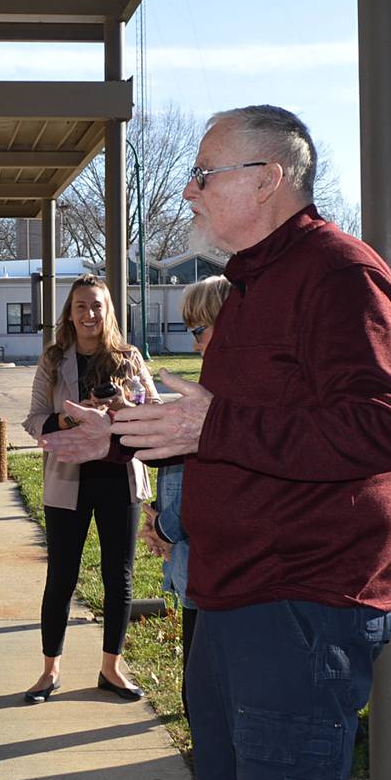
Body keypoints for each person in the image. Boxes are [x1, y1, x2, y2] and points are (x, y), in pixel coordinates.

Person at [41, 105, 391, 780]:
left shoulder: (339, 274)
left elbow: (386, 428)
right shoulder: (249, 285)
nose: (189, 191)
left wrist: (211, 428)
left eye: (204, 175)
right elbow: (232, 429)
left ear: (269, 179)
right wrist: (119, 439)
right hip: (233, 594)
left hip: (300, 601)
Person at [21, 275, 160, 705]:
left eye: (97, 306)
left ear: (108, 311)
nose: (89, 314)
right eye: (80, 306)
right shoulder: (54, 358)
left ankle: (111, 668)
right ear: (69, 312)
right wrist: (72, 419)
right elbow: (34, 420)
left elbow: (154, 413)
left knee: (118, 575)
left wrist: (122, 407)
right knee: (61, 574)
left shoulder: (128, 357)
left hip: (119, 477)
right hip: (69, 480)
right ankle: (50, 671)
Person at [139, 276, 231, 718]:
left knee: (207, 702)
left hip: (224, 580)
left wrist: (164, 525)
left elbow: (216, 487)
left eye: (199, 331)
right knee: (198, 696)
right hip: (196, 570)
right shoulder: (212, 384)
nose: (195, 345)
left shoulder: (231, 395)